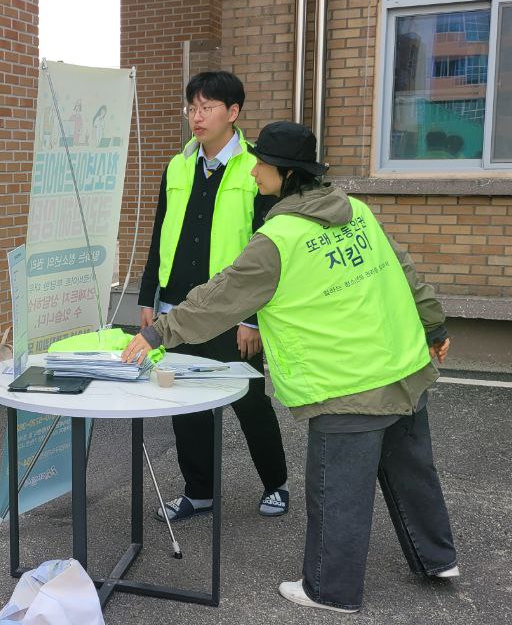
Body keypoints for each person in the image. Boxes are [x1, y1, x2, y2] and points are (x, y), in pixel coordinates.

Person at [122, 121, 458, 614]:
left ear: (284, 174)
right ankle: (438, 559)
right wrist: (435, 328)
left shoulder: (278, 238)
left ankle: (330, 590)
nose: (254, 171)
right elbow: (406, 274)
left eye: (262, 164)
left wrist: (157, 332)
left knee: (337, 492)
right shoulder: (357, 213)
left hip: (349, 384)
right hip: (403, 365)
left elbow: (219, 298)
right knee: (413, 473)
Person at [137, 70, 289, 521]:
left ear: (233, 112)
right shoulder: (178, 165)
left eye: (206, 107)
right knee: (184, 402)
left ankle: (276, 482)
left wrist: (254, 318)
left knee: (248, 399)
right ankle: (199, 490)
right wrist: (149, 295)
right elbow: (159, 232)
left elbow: (271, 248)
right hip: (177, 308)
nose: (196, 116)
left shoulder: (256, 168)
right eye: (191, 107)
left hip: (232, 308)